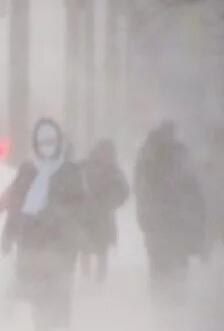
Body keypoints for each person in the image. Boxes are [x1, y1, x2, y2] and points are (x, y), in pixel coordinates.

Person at [0, 118, 87, 331]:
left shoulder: (70, 172)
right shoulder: (28, 170)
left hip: (60, 246)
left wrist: (58, 218)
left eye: (51, 141)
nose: (47, 146)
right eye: (42, 141)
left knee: (60, 295)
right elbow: (17, 204)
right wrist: (9, 233)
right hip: (31, 246)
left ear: (59, 142)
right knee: (38, 296)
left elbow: (80, 206)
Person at [134, 122, 207, 305]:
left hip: (170, 220)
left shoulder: (165, 155)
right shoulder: (152, 156)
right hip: (165, 220)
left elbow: (193, 186)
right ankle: (167, 303)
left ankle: (169, 302)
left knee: (169, 263)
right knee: (167, 263)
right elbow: (141, 189)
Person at [77, 139, 130, 283]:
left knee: (102, 251)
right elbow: (73, 181)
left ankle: (99, 283)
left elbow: (124, 191)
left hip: (103, 217)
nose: (106, 155)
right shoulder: (86, 166)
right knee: (85, 250)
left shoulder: (113, 170)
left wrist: (111, 202)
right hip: (87, 216)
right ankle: (86, 280)